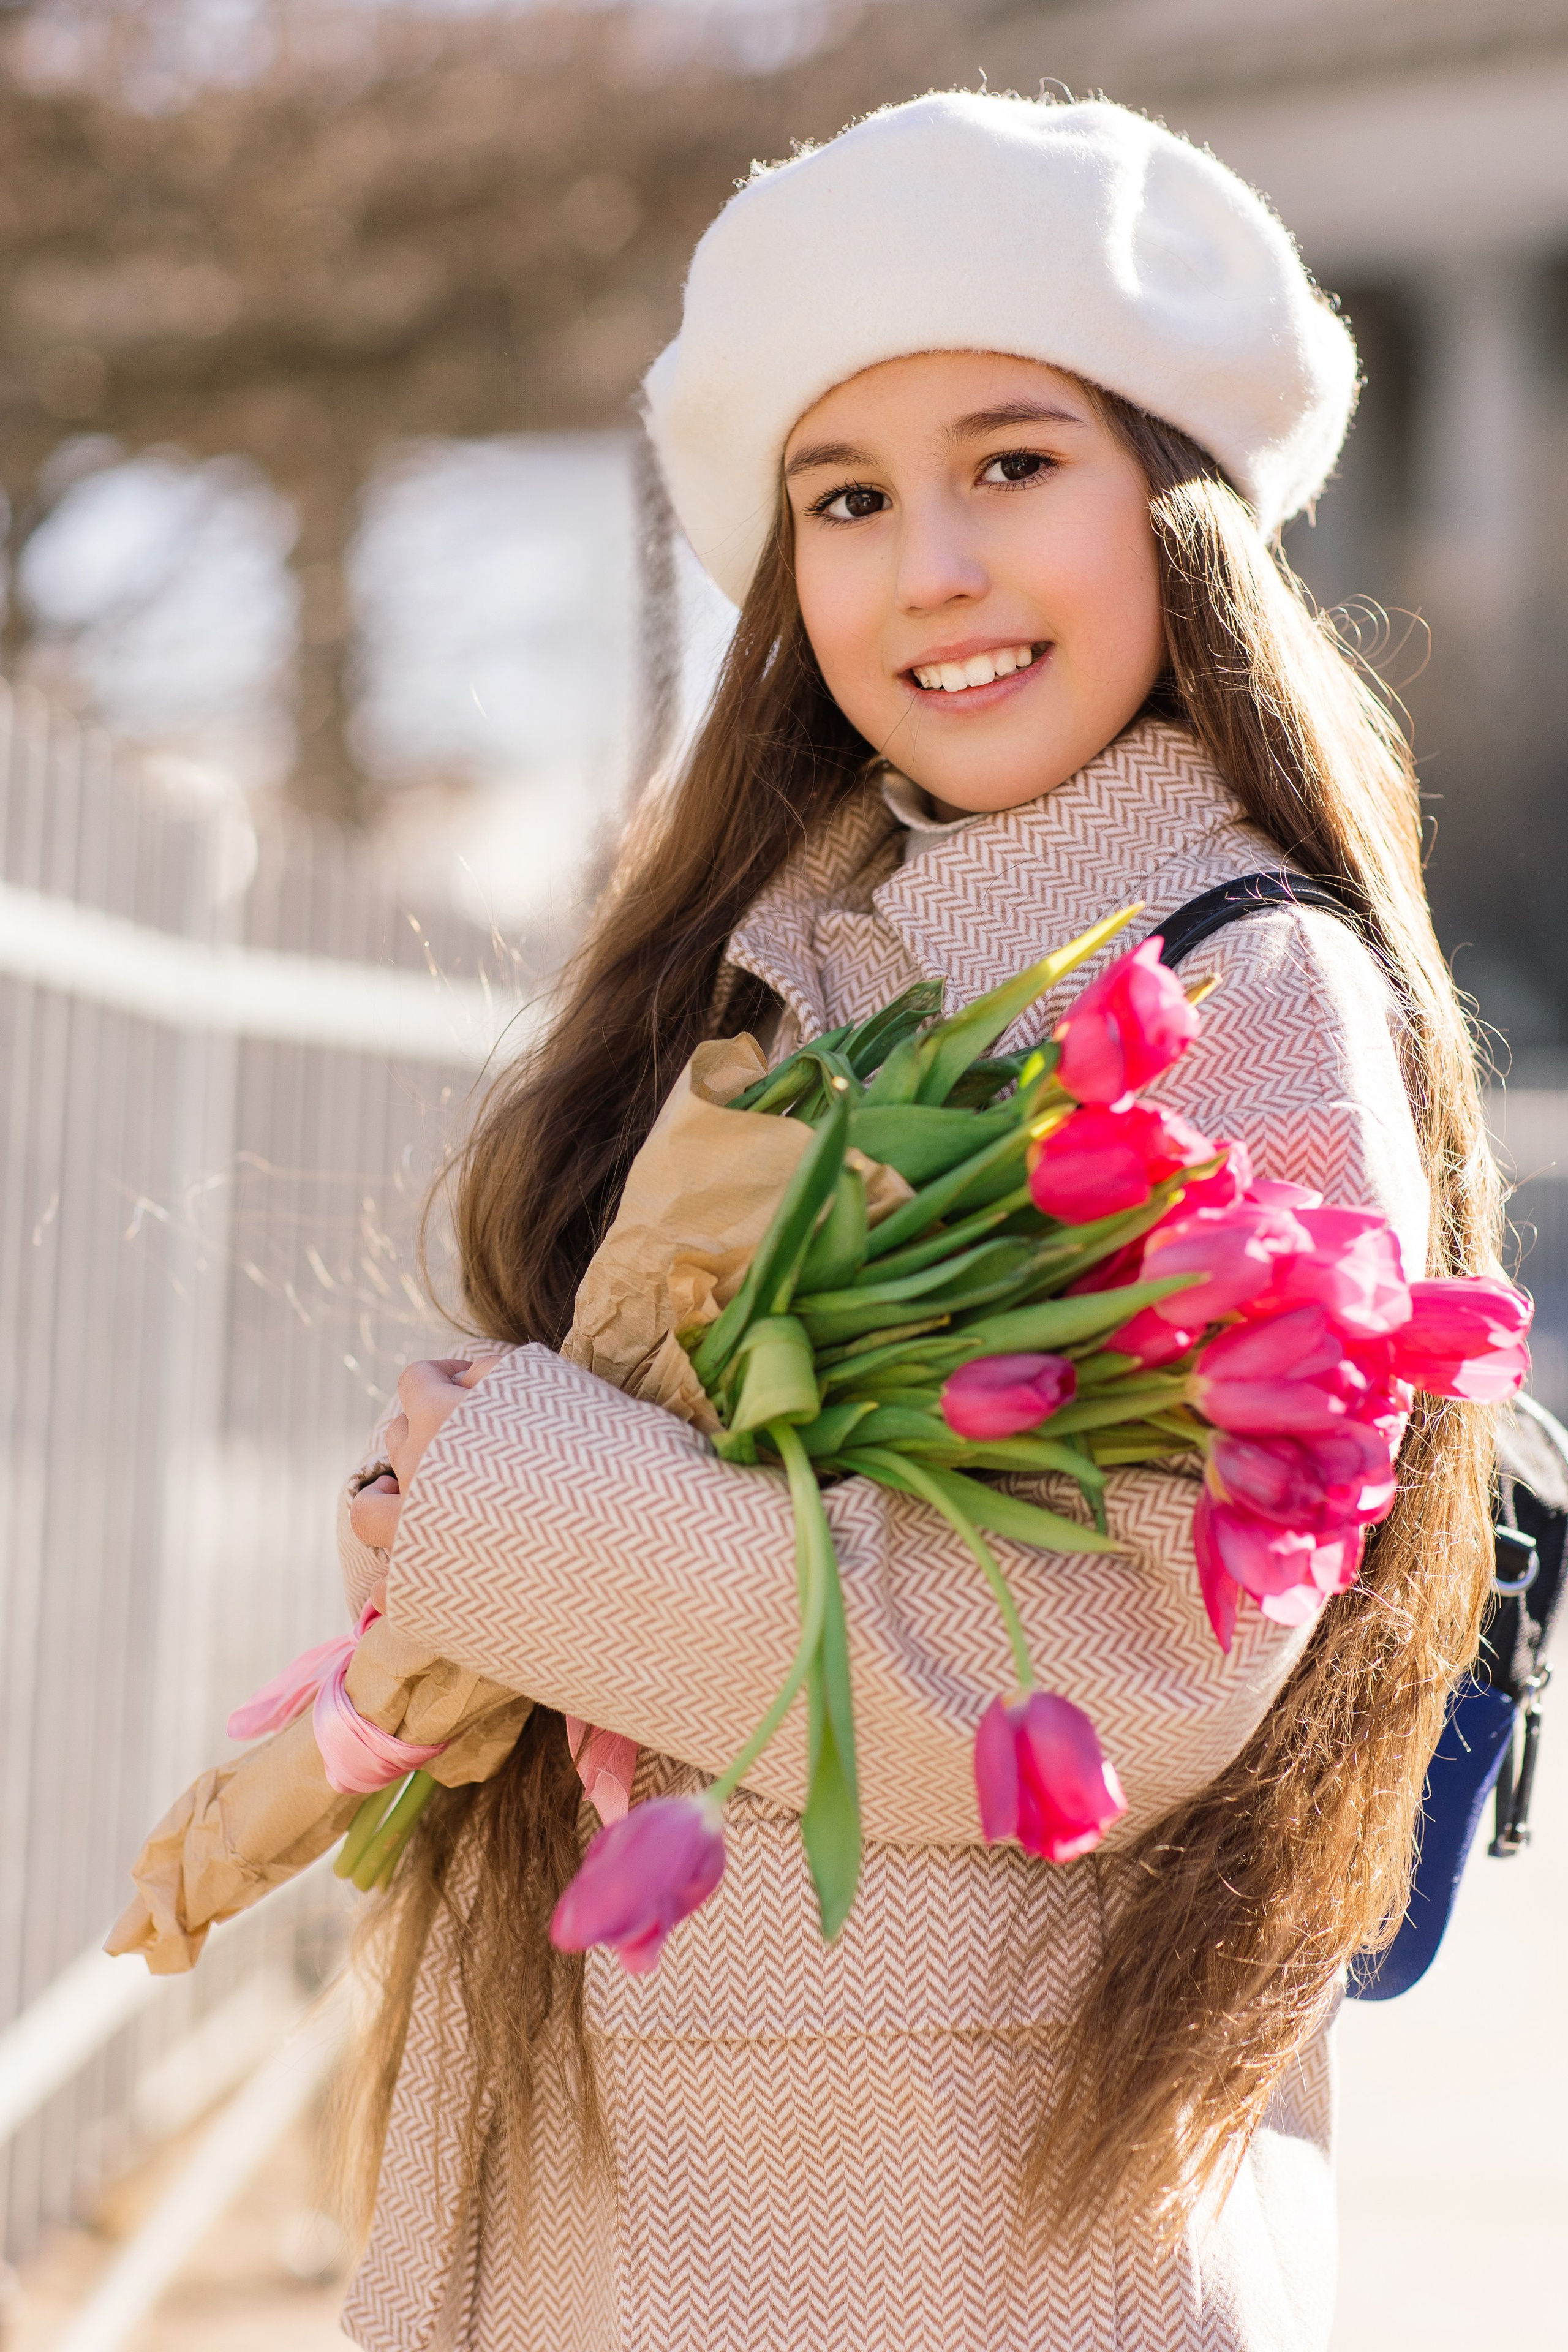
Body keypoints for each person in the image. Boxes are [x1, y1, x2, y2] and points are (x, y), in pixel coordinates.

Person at [337, 92, 1499, 2352]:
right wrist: (450, 1519)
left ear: (1177, 507)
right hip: (656, 2149)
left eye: (1012, 465)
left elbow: (1142, 1648)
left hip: (957, 2211)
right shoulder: (770, 964)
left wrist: (537, 1509)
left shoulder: (1237, 983)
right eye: (846, 501)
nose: (929, 568)